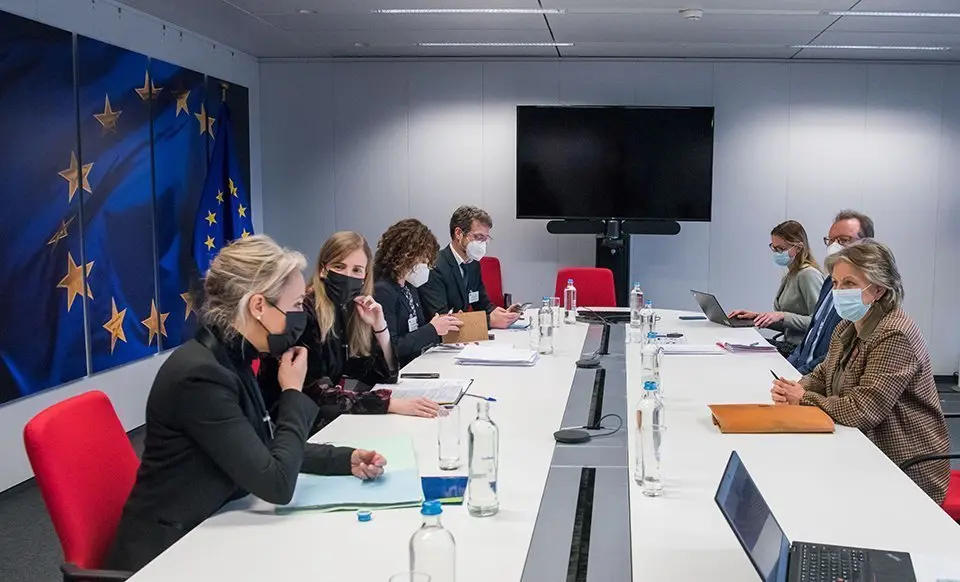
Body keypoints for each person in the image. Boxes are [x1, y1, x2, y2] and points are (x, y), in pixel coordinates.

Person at [106, 236, 386, 571]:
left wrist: (344, 459)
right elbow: (277, 484)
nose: (301, 316)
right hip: (168, 554)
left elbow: (262, 446)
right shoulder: (200, 376)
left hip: (213, 524)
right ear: (258, 306)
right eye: (296, 305)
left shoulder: (229, 357)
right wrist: (292, 393)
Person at [771, 240, 950, 504]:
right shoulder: (848, 325)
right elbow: (823, 375)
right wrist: (795, 388)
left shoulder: (894, 334)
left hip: (905, 466)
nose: (839, 291)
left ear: (878, 289)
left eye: (849, 284)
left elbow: (862, 410)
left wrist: (803, 398)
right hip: (864, 448)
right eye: (835, 283)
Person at [258, 232, 437, 431]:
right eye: (339, 266)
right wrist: (389, 404)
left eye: (357, 270)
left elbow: (383, 376)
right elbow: (317, 393)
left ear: (365, 276)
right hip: (283, 426)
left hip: (317, 421)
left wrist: (380, 327)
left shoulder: (346, 310)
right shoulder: (304, 312)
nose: (348, 276)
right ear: (323, 270)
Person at [787, 210, 875, 374]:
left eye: (843, 240)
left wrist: (802, 377)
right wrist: (788, 366)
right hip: (802, 371)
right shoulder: (829, 282)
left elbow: (838, 354)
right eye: (831, 240)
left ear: (867, 244)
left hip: (820, 378)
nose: (834, 246)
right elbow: (812, 332)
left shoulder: (865, 293)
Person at [373, 219, 463, 368]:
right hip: (397, 371)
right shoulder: (383, 290)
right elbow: (391, 347)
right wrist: (433, 329)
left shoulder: (410, 287)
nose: (426, 266)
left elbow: (418, 331)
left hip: (418, 362)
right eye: (423, 259)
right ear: (404, 255)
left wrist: (447, 326)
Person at [729, 220, 825, 354]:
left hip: (801, 350)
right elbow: (787, 324)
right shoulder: (790, 275)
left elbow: (820, 323)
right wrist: (757, 317)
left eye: (781, 249)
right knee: (738, 344)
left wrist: (782, 316)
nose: (777, 253)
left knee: (743, 350)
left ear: (798, 247)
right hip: (790, 345)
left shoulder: (808, 275)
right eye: (774, 248)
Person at [419, 205, 521, 329]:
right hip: (441, 339)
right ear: (459, 234)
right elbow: (442, 318)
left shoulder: (473, 264)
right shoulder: (435, 267)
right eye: (478, 237)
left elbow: (483, 304)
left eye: (485, 238)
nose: (482, 243)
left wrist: (501, 314)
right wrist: (489, 321)